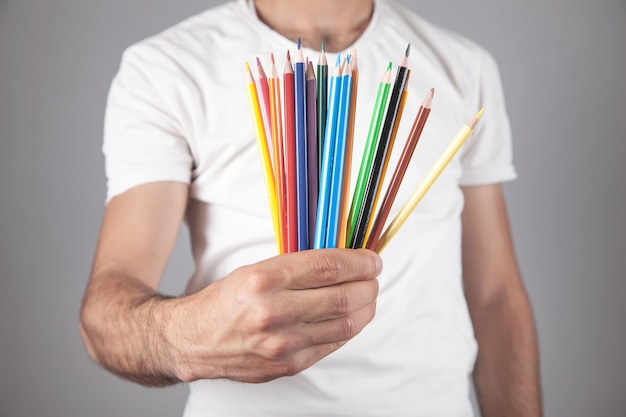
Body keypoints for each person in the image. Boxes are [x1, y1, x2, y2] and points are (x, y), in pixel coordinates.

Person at [79, 0, 543, 415]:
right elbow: (104, 315)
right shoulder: (163, 67)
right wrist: (192, 334)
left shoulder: (464, 65)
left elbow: (495, 299)